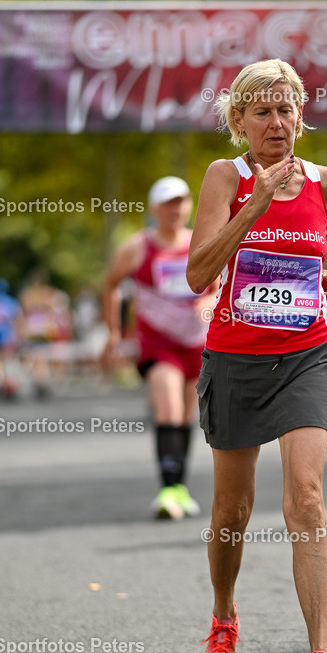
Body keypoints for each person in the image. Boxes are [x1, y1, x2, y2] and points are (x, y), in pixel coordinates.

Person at [187, 58, 327, 653]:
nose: (276, 122)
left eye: (287, 109)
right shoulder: (223, 177)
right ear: (238, 120)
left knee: (307, 500)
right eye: (262, 111)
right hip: (235, 358)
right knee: (232, 510)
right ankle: (225, 618)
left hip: (307, 355)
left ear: (301, 117)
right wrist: (254, 202)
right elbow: (198, 274)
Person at [103, 177, 216, 520]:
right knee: (166, 407)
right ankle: (167, 489)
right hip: (157, 344)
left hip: (195, 343)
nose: (175, 209)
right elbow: (110, 285)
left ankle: (178, 489)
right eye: (168, 203)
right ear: (154, 209)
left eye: (180, 202)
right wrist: (112, 331)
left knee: (185, 415)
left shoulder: (202, 242)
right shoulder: (137, 247)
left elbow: (218, 284)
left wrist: (207, 302)